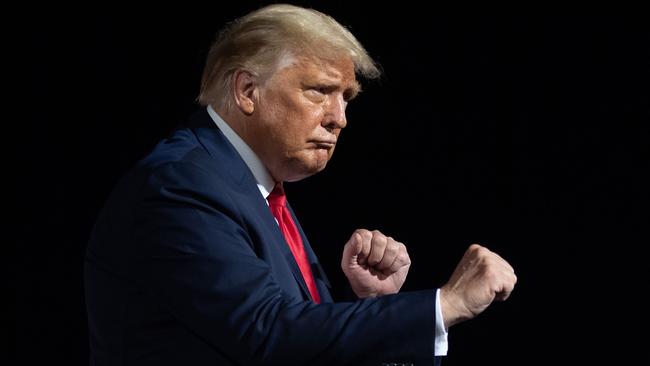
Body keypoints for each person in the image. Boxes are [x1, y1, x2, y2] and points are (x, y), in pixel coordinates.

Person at [84, 4, 517, 365]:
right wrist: (445, 305)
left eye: (346, 98)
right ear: (247, 90)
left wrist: (371, 303)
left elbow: (302, 343)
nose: (339, 118)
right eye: (319, 91)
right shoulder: (180, 186)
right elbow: (269, 335)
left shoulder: (253, 187)